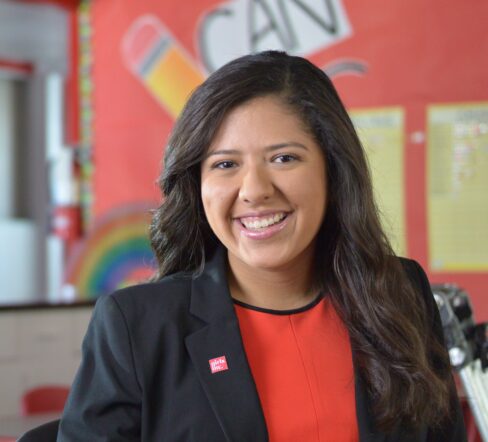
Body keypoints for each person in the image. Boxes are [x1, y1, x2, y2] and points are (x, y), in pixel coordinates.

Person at [57, 51, 466, 441]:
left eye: (284, 158)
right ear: (197, 184)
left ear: (333, 170)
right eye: (225, 164)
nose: (254, 190)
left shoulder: (400, 293)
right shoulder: (137, 325)